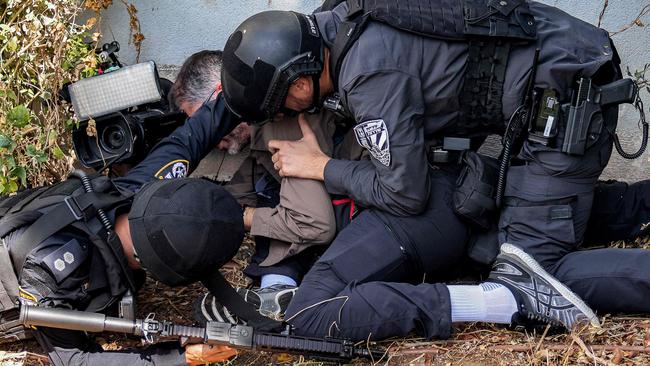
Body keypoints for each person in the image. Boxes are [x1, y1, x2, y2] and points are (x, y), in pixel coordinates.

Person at [219, 1, 650, 341]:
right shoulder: (342, 21)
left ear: (299, 83)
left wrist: (322, 167)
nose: (286, 114)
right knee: (521, 218)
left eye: (282, 106)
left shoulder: (367, 73)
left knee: (534, 279)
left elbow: (405, 193)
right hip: (555, 77)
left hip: (565, 99)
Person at [1, 176, 242, 366]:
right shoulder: (52, 270)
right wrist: (181, 357)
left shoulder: (109, 196)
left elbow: (185, 142)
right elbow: (76, 360)